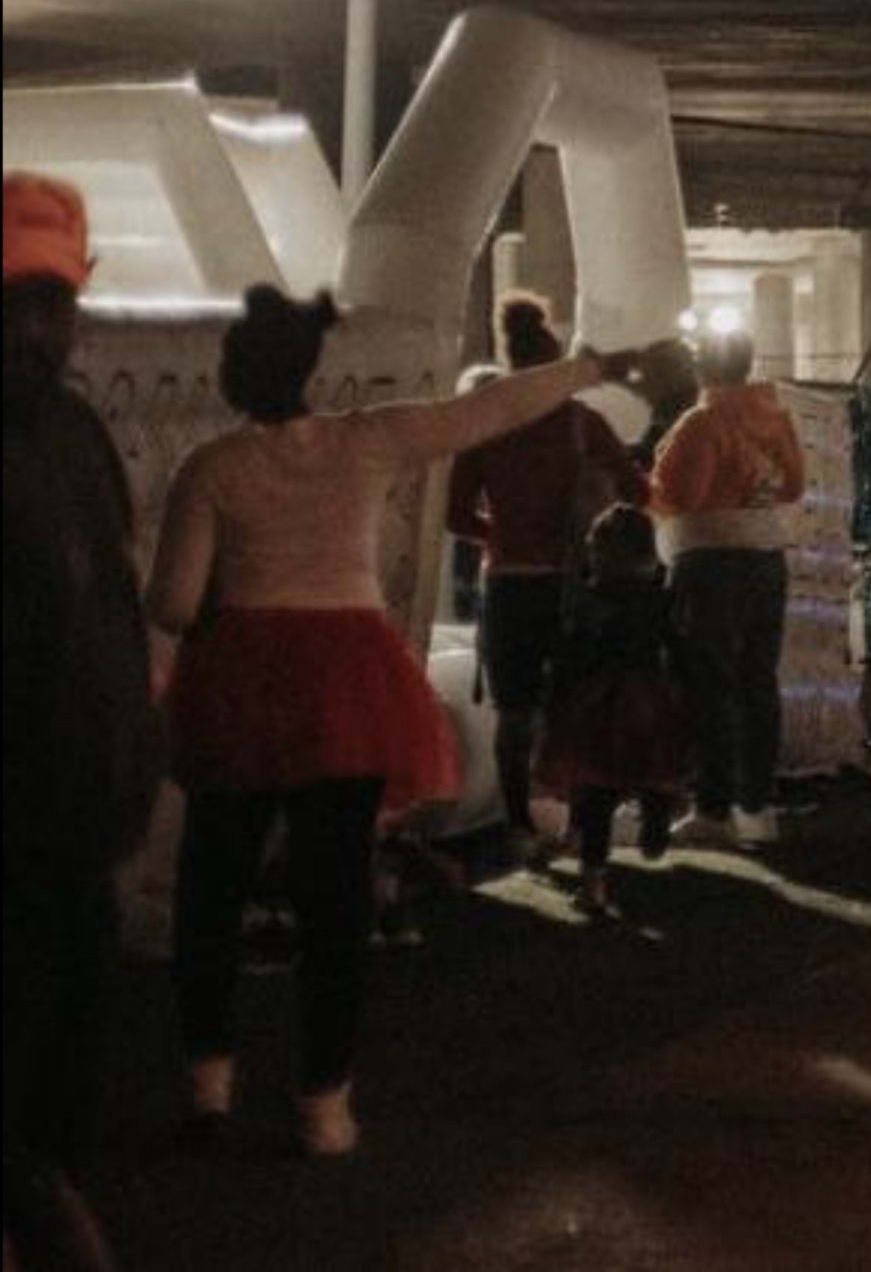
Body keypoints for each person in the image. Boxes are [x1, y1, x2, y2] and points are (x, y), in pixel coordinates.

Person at [148, 284, 655, 1157]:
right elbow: (487, 407)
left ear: (233, 377)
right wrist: (599, 367)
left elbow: (174, 599)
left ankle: (210, 1087)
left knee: (214, 887)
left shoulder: (213, 466)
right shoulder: (365, 439)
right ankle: (324, 1105)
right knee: (335, 895)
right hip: (348, 677)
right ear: (310, 370)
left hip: (239, 681)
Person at [4, 174, 161, 1271]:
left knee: (58, 1106)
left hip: (77, 834)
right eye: (12, 298)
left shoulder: (70, 432)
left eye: (49, 300)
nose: (31, 326)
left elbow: (104, 611)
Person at [443, 292, 646, 856]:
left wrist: (498, 534)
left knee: (514, 711)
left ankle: (518, 825)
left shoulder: (486, 428)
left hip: (509, 581)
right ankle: (582, 825)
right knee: (578, 706)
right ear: (556, 364)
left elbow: (453, 513)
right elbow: (638, 493)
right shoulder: (585, 424)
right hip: (576, 582)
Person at [646, 328, 809, 850]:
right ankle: (757, 806)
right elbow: (793, 486)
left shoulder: (702, 422)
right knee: (758, 683)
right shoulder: (774, 416)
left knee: (709, 684)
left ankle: (712, 806)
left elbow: (682, 495)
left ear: (702, 369)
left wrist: (641, 485)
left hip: (709, 561)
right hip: (765, 556)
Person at [537, 503, 695, 921]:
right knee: (651, 769)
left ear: (600, 553)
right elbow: (679, 649)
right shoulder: (661, 599)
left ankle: (593, 884)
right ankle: (657, 813)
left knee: (596, 795)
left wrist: (554, 693)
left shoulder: (588, 599)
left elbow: (570, 651)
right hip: (648, 698)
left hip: (596, 705)